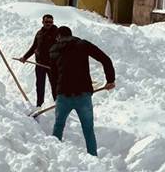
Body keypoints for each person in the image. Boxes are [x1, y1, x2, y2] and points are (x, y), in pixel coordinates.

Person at [49, 26, 116, 156]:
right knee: (88, 130)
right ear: (71, 34)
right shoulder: (82, 44)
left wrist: (56, 95)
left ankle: (54, 158)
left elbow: (53, 77)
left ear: (58, 37)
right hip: (83, 95)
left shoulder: (53, 50)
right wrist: (110, 80)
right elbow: (105, 59)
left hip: (63, 95)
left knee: (58, 126)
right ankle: (93, 159)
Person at [19, 14, 58, 108]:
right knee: (40, 85)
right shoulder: (39, 33)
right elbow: (34, 47)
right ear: (42, 22)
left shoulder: (56, 33)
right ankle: (39, 105)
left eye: (50, 22)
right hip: (40, 64)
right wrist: (25, 57)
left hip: (52, 65)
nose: (48, 24)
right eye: (46, 22)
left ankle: (58, 104)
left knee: (55, 85)